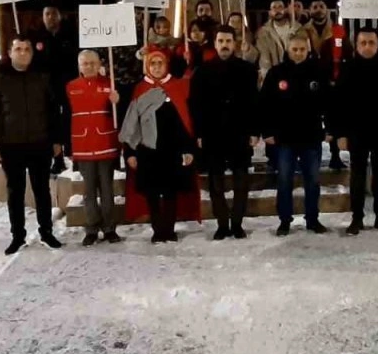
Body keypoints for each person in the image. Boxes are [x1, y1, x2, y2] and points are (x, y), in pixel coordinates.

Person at [0, 35, 65, 255]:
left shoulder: (42, 76)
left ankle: (46, 232)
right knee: (15, 192)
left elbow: (53, 110)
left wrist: (57, 139)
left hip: (40, 142)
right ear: (9, 53)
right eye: (18, 49)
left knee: (42, 190)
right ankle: (17, 236)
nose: (23, 53)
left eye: (27, 49)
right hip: (11, 144)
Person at [330, 28, 378, 235]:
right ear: (356, 45)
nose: (367, 46)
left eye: (371, 42)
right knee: (358, 176)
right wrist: (340, 133)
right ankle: (357, 218)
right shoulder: (348, 68)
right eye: (363, 43)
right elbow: (338, 104)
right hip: (356, 132)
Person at [120, 50, 198, 243]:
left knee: (171, 192)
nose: (156, 67)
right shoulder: (139, 89)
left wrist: (188, 149)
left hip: (171, 150)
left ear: (166, 65)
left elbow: (185, 122)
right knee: (152, 193)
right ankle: (157, 229)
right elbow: (131, 124)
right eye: (152, 63)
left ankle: (169, 229)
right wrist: (130, 152)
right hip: (147, 151)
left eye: (159, 63)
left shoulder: (176, 87)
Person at [190, 25, 259, 240]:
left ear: (235, 43)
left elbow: (253, 103)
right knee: (216, 183)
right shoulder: (202, 71)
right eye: (220, 41)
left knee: (241, 182)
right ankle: (222, 223)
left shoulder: (247, 70)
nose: (224, 45)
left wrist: (254, 131)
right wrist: (199, 133)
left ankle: (237, 223)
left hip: (239, 133)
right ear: (215, 43)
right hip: (213, 134)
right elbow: (196, 104)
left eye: (228, 41)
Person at [260, 34, 330, 236]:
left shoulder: (318, 72)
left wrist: (331, 129)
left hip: (311, 136)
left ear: (308, 50)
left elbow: (329, 103)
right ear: (288, 50)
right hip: (284, 138)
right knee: (284, 181)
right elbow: (265, 104)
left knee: (313, 180)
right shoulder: (276, 73)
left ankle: (312, 219)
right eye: (294, 49)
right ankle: (284, 220)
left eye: (302, 49)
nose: (298, 53)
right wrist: (267, 131)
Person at [65, 50, 123, 246]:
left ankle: (109, 228)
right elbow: (65, 117)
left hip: (105, 145)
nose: (88, 66)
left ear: (99, 64)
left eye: (92, 63)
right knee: (89, 191)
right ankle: (91, 228)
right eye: (85, 63)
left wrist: (117, 102)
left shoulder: (110, 85)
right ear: (79, 66)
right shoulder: (71, 87)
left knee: (107, 190)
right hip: (83, 146)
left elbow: (119, 116)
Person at [29, 5, 78, 173]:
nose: (51, 17)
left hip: (70, 84)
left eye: (54, 14)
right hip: (46, 87)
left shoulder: (72, 33)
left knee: (71, 118)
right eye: (47, 14)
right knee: (51, 121)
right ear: (43, 16)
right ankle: (57, 159)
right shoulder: (36, 36)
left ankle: (73, 154)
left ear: (60, 16)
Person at [304, 0, 348, 170]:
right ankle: (311, 156)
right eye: (315, 6)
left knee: (334, 118)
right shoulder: (303, 30)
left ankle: (335, 155)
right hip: (311, 78)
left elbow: (346, 50)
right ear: (310, 10)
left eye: (322, 6)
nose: (319, 9)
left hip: (332, 80)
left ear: (327, 9)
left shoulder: (337, 30)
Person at [255, 0, 300, 79]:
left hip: (295, 74)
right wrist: (268, 77)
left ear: (285, 9)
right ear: (270, 12)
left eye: (280, 7)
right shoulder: (263, 33)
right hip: (274, 75)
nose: (277, 10)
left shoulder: (297, 28)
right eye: (274, 7)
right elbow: (264, 58)